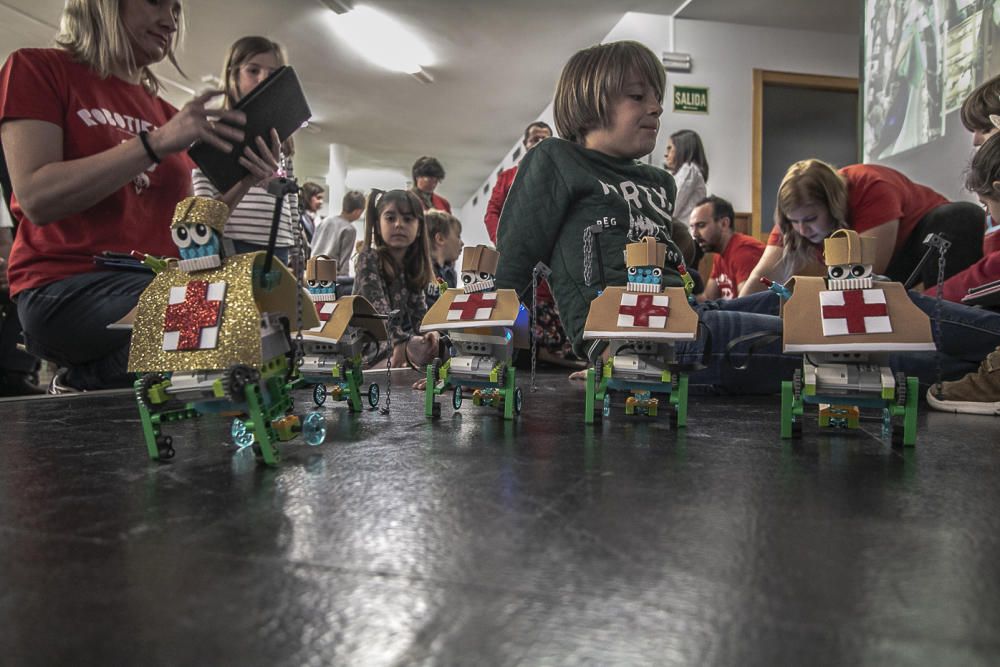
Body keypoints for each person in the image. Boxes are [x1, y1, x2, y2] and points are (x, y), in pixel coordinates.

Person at [0, 0, 247, 392]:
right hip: (63, 288)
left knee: (253, 299)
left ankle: (88, 381)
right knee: (208, 307)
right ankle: (87, 381)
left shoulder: (168, 113)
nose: (169, 21)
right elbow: (36, 196)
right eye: (155, 3)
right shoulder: (36, 68)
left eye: (176, 10)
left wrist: (244, 180)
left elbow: (186, 233)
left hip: (149, 285)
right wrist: (156, 143)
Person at [494, 40, 694, 358]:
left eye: (658, 98)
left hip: (682, 310)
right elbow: (515, 260)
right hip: (628, 328)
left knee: (770, 308)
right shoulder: (558, 158)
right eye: (638, 96)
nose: (656, 107)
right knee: (775, 334)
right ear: (590, 105)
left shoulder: (661, 182)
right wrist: (479, 353)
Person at [740, 160, 985, 296]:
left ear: (834, 206)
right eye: (795, 222)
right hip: (890, 260)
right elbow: (761, 278)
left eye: (811, 219)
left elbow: (863, 277)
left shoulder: (872, 187)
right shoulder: (795, 217)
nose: (802, 230)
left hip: (928, 237)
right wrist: (734, 318)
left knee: (961, 215)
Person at [193, 36, 298, 266]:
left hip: (278, 244)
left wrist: (297, 248)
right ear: (233, 75)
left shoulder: (281, 137)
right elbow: (203, 210)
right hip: (233, 242)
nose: (263, 79)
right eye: (253, 70)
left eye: (272, 73)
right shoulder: (211, 133)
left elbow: (289, 201)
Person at [353, 189, 439, 368]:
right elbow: (379, 312)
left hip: (395, 344)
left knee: (437, 348)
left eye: (408, 219)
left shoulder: (413, 265)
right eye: (390, 218)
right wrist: (401, 343)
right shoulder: (368, 258)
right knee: (414, 352)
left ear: (419, 228)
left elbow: (419, 313)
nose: (399, 224)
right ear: (378, 224)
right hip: (367, 348)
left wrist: (430, 332)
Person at [483, 121, 552, 243]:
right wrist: (500, 241)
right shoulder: (506, 177)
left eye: (545, 139)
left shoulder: (559, 174)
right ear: (525, 144)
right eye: (535, 139)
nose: (540, 143)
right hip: (516, 246)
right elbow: (492, 212)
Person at [689, 195, 764, 301]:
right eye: (692, 227)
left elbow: (748, 306)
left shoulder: (744, 251)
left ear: (724, 224)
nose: (694, 234)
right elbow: (708, 299)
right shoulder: (719, 253)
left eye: (701, 225)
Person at [311, 189, 364, 272]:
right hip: (329, 274)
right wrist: (345, 280)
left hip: (313, 269)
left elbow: (313, 245)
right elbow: (344, 260)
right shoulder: (349, 229)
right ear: (358, 211)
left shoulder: (326, 221)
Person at [664, 129, 708, 226]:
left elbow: (672, 207)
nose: (666, 154)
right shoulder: (683, 172)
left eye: (669, 148)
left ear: (681, 150)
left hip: (685, 235)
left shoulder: (689, 170)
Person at [425, 208, 462, 296]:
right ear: (440, 239)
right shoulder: (422, 272)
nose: (462, 243)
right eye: (458, 236)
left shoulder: (450, 275)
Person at [298, 181, 324, 247]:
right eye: (318, 198)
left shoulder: (318, 219)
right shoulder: (299, 217)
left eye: (322, 198)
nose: (321, 202)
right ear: (307, 197)